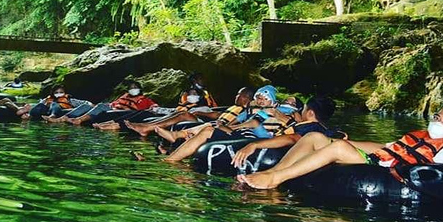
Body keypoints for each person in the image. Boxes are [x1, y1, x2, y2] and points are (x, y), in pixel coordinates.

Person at [241, 99, 443, 190]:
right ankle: (271, 173)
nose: (438, 123)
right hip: (381, 161)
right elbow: (385, 147)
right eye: (437, 117)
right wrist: (338, 141)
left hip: (392, 176)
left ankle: (275, 179)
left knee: (339, 149)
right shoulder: (421, 136)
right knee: (314, 138)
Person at [160, 86, 294, 163]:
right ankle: (171, 158)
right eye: (258, 98)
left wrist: (230, 127)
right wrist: (228, 125)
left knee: (218, 126)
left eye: (264, 98)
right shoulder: (253, 108)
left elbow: (254, 123)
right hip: (244, 133)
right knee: (208, 129)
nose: (260, 101)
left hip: (260, 137)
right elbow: (242, 117)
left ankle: (175, 139)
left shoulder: (277, 111)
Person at [230, 96, 345, 169]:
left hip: (276, 158)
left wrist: (254, 145)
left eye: (303, 109)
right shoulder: (326, 130)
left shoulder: (308, 128)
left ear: (310, 113)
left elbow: (293, 138)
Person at [125, 86, 256, 136]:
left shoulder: (247, 110)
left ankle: (147, 128)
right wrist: (199, 113)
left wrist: (200, 113)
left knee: (184, 114)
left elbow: (235, 123)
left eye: (240, 95)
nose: (236, 97)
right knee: (180, 113)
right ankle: (147, 126)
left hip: (217, 128)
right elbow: (217, 114)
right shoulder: (234, 107)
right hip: (213, 123)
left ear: (247, 98)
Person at [58, 81, 159, 125]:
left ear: (140, 89)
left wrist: (152, 108)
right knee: (86, 105)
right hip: (113, 108)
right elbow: (114, 103)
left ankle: (79, 120)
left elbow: (154, 106)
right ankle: (64, 118)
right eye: (131, 88)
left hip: (123, 113)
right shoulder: (124, 96)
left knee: (101, 106)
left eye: (135, 88)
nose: (133, 90)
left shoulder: (145, 100)